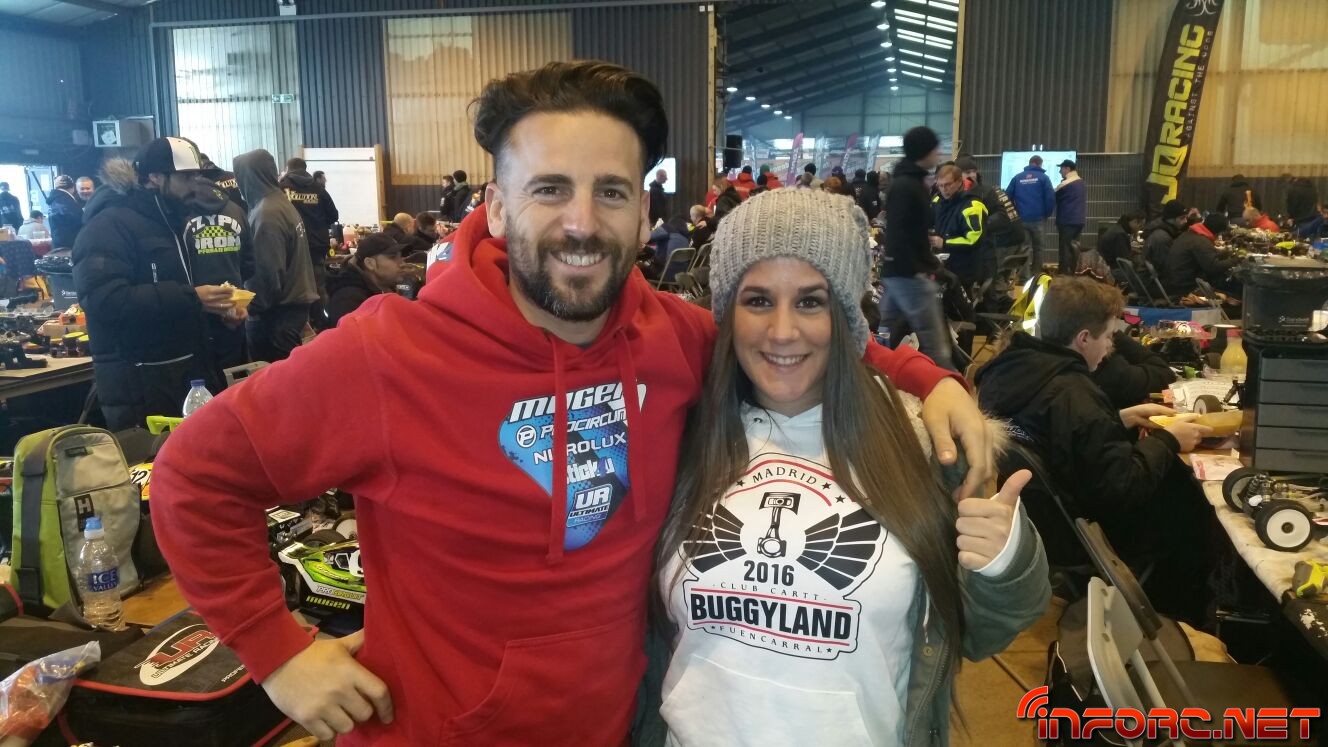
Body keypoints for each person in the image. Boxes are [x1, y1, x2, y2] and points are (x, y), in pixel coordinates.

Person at [149, 60, 993, 746]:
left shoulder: (672, 338)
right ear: (496, 205)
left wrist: (927, 377)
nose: (582, 223)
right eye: (550, 188)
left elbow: (785, 336)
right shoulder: (388, 355)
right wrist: (278, 653)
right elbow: (192, 476)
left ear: (644, 213)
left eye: (611, 192)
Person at [651, 187, 1049, 745]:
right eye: (758, 300)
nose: (783, 331)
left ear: (845, 315)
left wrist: (1003, 561)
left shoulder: (919, 440)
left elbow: (986, 630)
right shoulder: (684, 432)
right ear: (727, 315)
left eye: (810, 302)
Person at [975, 276, 1213, 623]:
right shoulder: (1075, 394)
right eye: (1108, 337)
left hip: (1040, 520)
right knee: (1192, 504)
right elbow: (1122, 487)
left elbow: (1057, 435)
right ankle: (1183, 618)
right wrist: (1170, 440)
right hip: (1087, 531)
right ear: (1084, 339)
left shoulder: (1009, 372)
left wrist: (1118, 419)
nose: (1110, 347)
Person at [72, 137, 237, 430]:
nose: (195, 185)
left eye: (198, 176)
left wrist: (218, 312)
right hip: (139, 386)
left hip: (184, 377)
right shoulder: (108, 226)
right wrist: (192, 298)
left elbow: (179, 297)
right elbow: (103, 299)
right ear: (155, 177)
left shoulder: (173, 223)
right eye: (187, 177)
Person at [879, 126, 956, 371]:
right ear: (925, 151)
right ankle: (952, 385)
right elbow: (906, 235)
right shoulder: (909, 186)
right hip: (909, 275)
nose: (938, 154)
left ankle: (872, 377)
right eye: (935, 149)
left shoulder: (905, 181)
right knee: (937, 346)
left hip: (897, 272)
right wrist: (931, 265)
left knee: (882, 335)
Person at [234, 148, 317, 363]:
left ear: (248, 177)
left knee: (272, 378)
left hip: (276, 316)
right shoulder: (280, 203)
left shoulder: (267, 213)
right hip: (290, 310)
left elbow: (267, 272)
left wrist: (250, 307)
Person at [182, 171, 254, 382]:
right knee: (233, 382)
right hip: (233, 309)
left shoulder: (181, 213)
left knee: (200, 386)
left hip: (194, 313)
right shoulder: (236, 210)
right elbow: (249, 264)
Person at [280, 157, 340, 329]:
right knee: (318, 287)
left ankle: (302, 327)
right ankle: (324, 325)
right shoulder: (318, 188)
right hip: (316, 246)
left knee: (295, 288)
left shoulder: (282, 187)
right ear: (305, 168)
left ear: (288, 169)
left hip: (292, 247)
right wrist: (317, 223)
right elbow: (333, 215)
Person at [325, 233, 405, 326]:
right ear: (370, 264)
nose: (402, 263)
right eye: (393, 257)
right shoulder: (348, 300)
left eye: (400, 257)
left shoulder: (386, 288)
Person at [931, 163, 988, 289]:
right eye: (940, 185)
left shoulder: (972, 205)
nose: (944, 189)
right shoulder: (937, 201)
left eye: (948, 185)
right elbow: (926, 221)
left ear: (958, 182)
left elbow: (974, 240)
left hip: (964, 269)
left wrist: (944, 243)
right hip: (942, 267)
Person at [1091, 330, 1176, 410]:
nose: (1111, 343)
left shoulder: (1114, 336)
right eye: (1108, 336)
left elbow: (1167, 375)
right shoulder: (1114, 368)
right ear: (1084, 338)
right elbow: (1167, 376)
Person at [1162, 212, 1239, 298]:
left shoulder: (1192, 234)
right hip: (1185, 287)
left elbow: (1206, 256)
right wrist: (1236, 260)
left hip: (1176, 280)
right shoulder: (1201, 242)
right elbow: (1213, 267)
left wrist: (1224, 253)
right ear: (1218, 231)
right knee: (1232, 288)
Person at [1006, 156, 1055, 269]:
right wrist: (1046, 214)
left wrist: (1015, 212)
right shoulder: (1044, 178)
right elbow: (1050, 199)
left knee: (1024, 248)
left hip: (1022, 219)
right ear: (1039, 164)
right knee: (1039, 248)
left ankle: (1024, 276)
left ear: (1030, 163)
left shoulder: (1017, 178)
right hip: (1039, 219)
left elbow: (1007, 196)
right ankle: (1036, 273)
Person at [1054, 160, 1086, 274]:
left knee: (1065, 249)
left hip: (1067, 220)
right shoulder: (1081, 182)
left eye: (1061, 169)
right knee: (1074, 248)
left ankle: (1064, 275)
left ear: (1067, 169)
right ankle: (1073, 273)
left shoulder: (1065, 184)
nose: (1060, 171)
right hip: (1079, 220)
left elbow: (1053, 197)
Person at [1098, 210, 1145, 280]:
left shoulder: (1117, 228)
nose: (1140, 229)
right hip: (1111, 270)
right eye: (1141, 226)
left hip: (1105, 266)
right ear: (1135, 222)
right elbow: (1124, 260)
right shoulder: (1121, 235)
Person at [1143, 199, 1188, 271]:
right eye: (1182, 218)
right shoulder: (1162, 238)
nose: (1186, 221)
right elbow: (1167, 268)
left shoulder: (1166, 230)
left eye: (1186, 217)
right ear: (1171, 219)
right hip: (1153, 277)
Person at [46, 174, 84, 250]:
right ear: (73, 188)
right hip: (71, 248)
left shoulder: (54, 201)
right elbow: (80, 226)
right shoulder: (68, 203)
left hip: (58, 247)